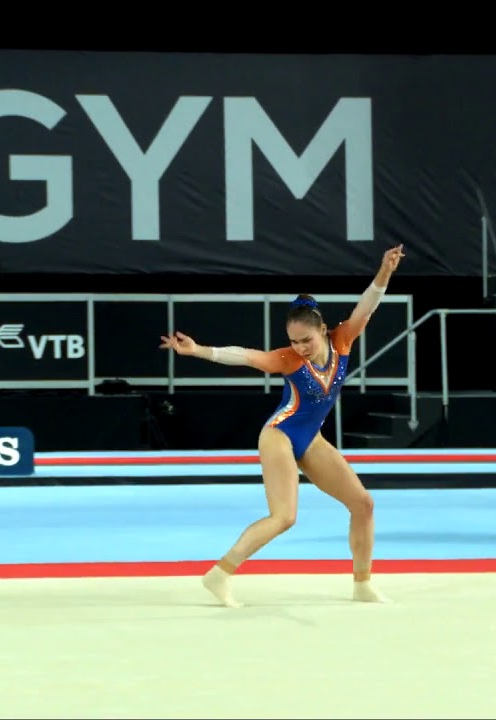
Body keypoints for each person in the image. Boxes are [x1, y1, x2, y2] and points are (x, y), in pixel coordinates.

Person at [159, 245, 406, 607]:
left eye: (307, 340)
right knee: (284, 517)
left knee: (363, 504)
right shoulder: (288, 360)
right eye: (294, 341)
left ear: (323, 330)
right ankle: (220, 574)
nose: (301, 347)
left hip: (311, 439)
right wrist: (199, 350)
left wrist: (385, 271)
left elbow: (367, 305)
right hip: (279, 436)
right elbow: (246, 356)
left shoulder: (343, 339)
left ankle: (363, 583)